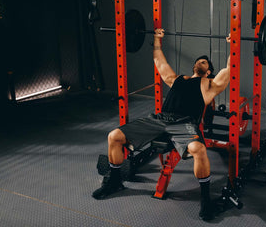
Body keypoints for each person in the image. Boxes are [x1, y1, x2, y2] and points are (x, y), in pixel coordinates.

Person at [92, 28, 231, 221]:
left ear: (208, 71)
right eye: (199, 60)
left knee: (198, 149)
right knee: (114, 136)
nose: (200, 61)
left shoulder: (209, 85)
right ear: (193, 67)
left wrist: (233, 45)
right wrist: (157, 40)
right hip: (159, 120)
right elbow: (160, 62)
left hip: (184, 124)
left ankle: (206, 198)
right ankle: (114, 181)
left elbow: (228, 71)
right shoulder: (178, 80)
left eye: (205, 62)